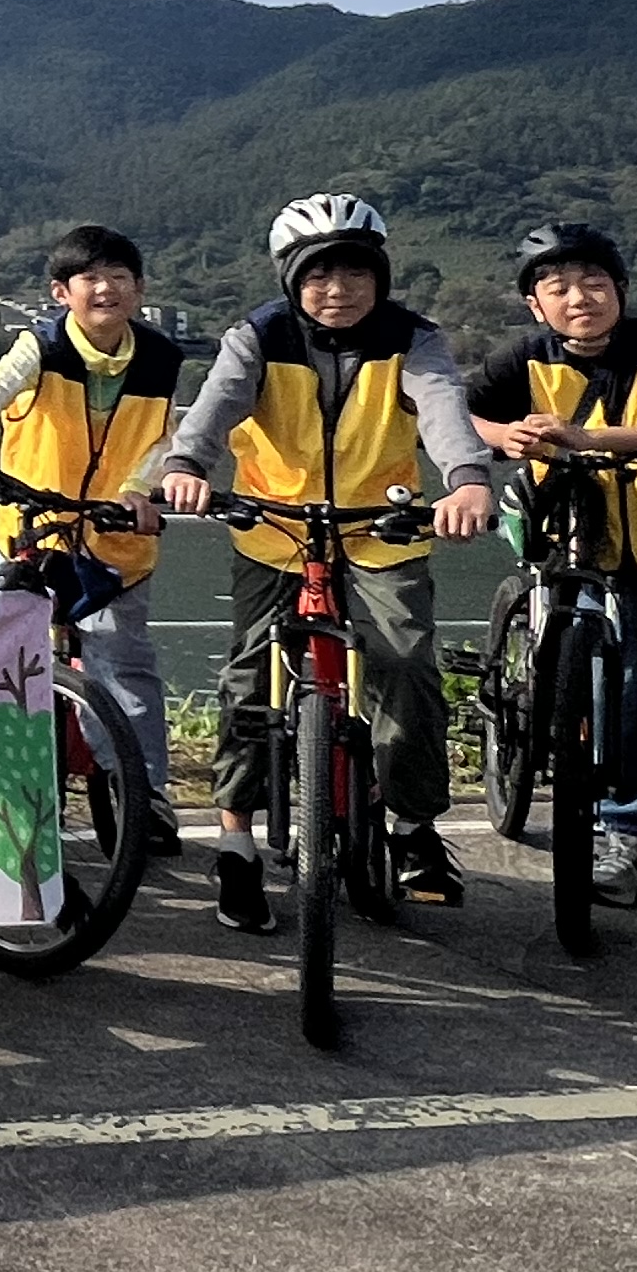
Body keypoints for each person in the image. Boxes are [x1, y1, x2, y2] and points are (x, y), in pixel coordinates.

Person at [154, 194, 498, 932]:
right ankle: (237, 843)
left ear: (380, 275)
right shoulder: (258, 336)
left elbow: (442, 411)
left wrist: (468, 479)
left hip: (381, 528)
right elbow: (216, 405)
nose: (336, 290)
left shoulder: (415, 339)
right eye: (317, 275)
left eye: (353, 273)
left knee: (405, 664)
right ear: (290, 280)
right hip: (274, 528)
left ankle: (412, 827)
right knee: (247, 678)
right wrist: (187, 463)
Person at [464, 222, 637, 908]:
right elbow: (461, 415)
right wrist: (507, 434)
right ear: (535, 305)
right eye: (557, 288)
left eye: (593, 282)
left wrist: (592, 439)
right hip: (583, 557)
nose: (579, 298)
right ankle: (624, 839)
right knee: (612, 703)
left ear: (619, 289)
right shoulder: (524, 358)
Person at [0, 224, 182, 856]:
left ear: (139, 289)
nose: (106, 289)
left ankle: (144, 793)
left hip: (115, 537)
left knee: (124, 666)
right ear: (61, 292)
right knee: (8, 664)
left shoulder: (162, 359)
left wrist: (140, 488)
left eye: (119, 277)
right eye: (90, 278)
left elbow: (167, 439)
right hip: (30, 532)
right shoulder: (37, 348)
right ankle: (4, 791)